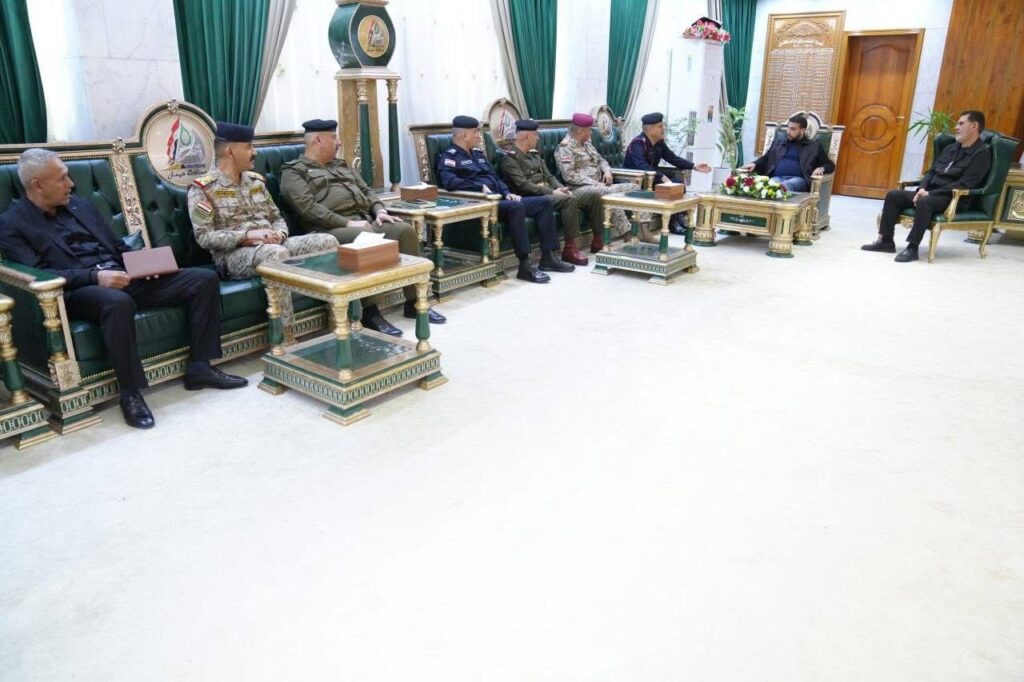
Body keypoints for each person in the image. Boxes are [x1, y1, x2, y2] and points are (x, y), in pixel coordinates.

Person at [0, 148, 247, 429]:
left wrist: (144, 265)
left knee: (202, 280)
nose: (71, 183)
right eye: (62, 178)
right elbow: (38, 275)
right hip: (78, 291)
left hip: (123, 276)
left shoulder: (81, 205)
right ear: (37, 185)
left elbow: (116, 246)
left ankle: (200, 367)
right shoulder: (12, 224)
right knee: (117, 302)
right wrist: (96, 277)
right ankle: (130, 393)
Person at [279, 119, 444, 337]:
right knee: (365, 236)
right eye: (334, 137)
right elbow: (308, 209)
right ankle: (370, 312)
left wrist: (379, 211)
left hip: (364, 221)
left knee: (404, 230)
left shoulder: (341, 165)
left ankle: (414, 302)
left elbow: (367, 191)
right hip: (328, 230)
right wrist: (347, 223)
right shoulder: (294, 172)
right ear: (318, 140)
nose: (339, 142)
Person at [187, 122, 338, 329]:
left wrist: (280, 234)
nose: (255, 152)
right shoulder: (203, 189)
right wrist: (246, 236)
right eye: (249, 147)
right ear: (230, 151)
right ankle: (285, 334)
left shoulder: (256, 182)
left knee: (328, 242)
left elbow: (277, 217)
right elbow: (204, 236)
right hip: (233, 256)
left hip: (273, 244)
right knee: (275, 254)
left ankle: (339, 321)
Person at [436, 115, 573, 283]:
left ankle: (548, 257)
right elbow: (450, 182)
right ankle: (525, 264)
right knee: (516, 208)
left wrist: (507, 192)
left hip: (500, 199)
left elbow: (495, 178)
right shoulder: (450, 157)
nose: (479, 136)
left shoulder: (478, 154)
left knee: (543, 203)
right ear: (465, 135)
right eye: (475, 133)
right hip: (481, 203)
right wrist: (478, 187)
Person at [862, 110, 992, 263]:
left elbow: (964, 184)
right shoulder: (951, 148)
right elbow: (931, 172)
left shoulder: (981, 154)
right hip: (930, 193)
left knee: (925, 202)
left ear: (974, 126)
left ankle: (912, 248)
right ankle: (886, 241)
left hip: (954, 199)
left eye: (961, 123)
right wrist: (922, 189)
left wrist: (930, 194)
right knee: (894, 195)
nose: (956, 127)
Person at [496, 118, 590, 266]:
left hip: (546, 193)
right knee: (569, 200)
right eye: (536, 135)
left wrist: (561, 188)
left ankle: (570, 248)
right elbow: (523, 185)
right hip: (530, 197)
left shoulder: (534, 154)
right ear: (527, 136)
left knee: (574, 195)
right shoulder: (510, 159)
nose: (538, 138)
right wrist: (552, 192)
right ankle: (570, 248)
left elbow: (549, 176)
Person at [554, 113, 645, 251]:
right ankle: (627, 234)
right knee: (610, 194)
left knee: (635, 187)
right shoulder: (565, 148)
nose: (591, 133)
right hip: (579, 189)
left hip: (601, 187)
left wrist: (607, 171)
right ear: (580, 131)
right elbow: (569, 176)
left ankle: (644, 229)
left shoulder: (587, 144)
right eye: (589, 130)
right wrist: (596, 184)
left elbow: (601, 160)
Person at [624, 112, 712, 235]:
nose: (663, 129)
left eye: (663, 125)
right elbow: (641, 165)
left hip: (653, 179)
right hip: (637, 181)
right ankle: (673, 224)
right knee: (672, 184)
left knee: (678, 183)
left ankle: (678, 220)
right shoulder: (637, 143)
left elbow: (672, 158)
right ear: (649, 129)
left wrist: (694, 166)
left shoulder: (659, 143)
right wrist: (661, 176)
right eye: (660, 126)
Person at [738, 114, 834, 192]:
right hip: (777, 177)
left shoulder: (813, 146)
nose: (788, 131)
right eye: (788, 128)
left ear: (802, 130)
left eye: (793, 129)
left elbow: (830, 165)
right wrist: (754, 164)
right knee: (769, 184)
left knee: (783, 186)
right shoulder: (779, 143)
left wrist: (821, 168)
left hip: (798, 180)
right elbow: (766, 158)